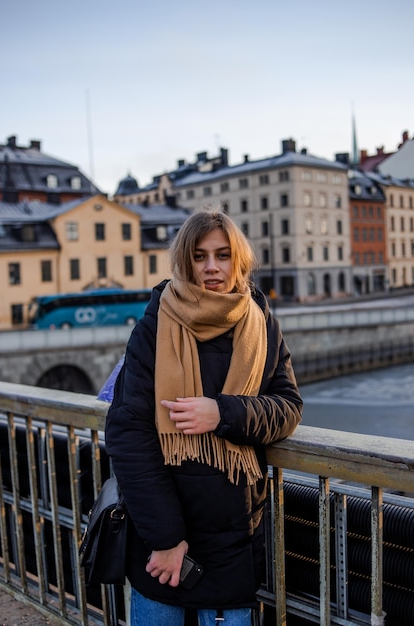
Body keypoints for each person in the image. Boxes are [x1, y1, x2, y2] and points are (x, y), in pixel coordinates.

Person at [105, 208, 303, 626]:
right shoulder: (155, 324)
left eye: (223, 254)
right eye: (199, 256)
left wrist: (222, 412)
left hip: (235, 537)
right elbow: (128, 435)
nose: (212, 266)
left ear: (240, 260)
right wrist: (166, 539)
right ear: (185, 261)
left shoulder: (261, 321)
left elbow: (287, 408)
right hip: (164, 543)